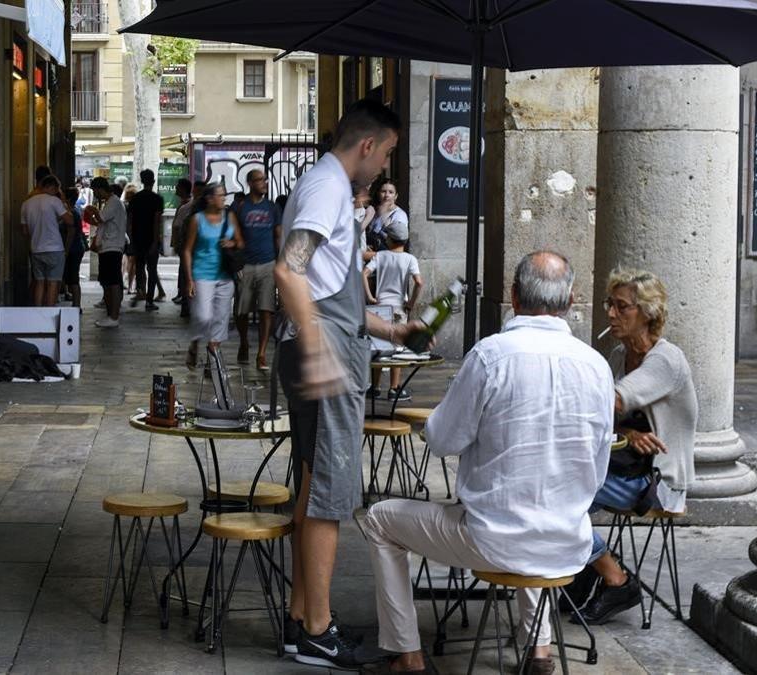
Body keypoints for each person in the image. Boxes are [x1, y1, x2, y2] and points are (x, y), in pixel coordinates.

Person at [357, 251, 614, 675]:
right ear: (570, 301)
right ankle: (539, 650)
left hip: (492, 540)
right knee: (538, 500)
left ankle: (408, 656)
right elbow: (597, 467)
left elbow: (441, 439)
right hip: (569, 542)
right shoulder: (597, 367)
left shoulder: (492, 356)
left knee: (381, 519)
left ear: (513, 296)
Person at [274, 98, 420, 669]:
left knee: (314, 487)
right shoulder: (328, 188)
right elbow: (290, 269)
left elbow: (332, 288)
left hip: (332, 340)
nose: (384, 166)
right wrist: (317, 349)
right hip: (325, 351)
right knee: (332, 494)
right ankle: (318, 628)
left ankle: (298, 620)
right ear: (367, 145)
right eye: (386, 153)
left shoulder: (329, 189)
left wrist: (392, 328)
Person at [565, 269, 697, 625]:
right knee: (554, 496)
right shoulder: (619, 355)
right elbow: (607, 417)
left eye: (622, 307)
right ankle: (584, 569)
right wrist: (629, 432)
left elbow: (607, 402)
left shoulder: (666, 360)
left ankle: (614, 577)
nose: (610, 313)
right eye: (610, 304)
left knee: (559, 495)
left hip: (657, 484)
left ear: (648, 313)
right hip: (622, 468)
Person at [182, 183, 243, 369]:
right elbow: (187, 250)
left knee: (220, 318)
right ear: (209, 198)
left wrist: (232, 243)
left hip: (225, 276)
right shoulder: (197, 220)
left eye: (224, 195)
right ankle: (195, 342)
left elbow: (240, 242)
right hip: (203, 274)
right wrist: (189, 279)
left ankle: (212, 360)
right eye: (220, 195)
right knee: (204, 316)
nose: (224, 199)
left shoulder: (230, 217)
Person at [364, 218, 422, 400]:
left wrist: (370, 297)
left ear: (389, 239)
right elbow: (419, 282)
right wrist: (411, 302)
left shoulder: (380, 256)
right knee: (397, 348)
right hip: (398, 306)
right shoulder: (409, 259)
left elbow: (363, 274)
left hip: (380, 305)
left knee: (378, 347)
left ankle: (374, 387)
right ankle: (394, 388)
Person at [233, 169, 282, 370]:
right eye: (260, 180)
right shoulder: (239, 206)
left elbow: (278, 234)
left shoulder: (272, 208)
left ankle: (261, 353)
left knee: (266, 309)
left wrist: (281, 261)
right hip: (246, 264)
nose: (264, 183)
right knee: (242, 311)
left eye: (265, 180)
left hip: (267, 262)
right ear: (250, 183)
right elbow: (232, 230)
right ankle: (244, 342)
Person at [20, 175, 74, 307]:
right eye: (57, 190)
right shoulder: (54, 201)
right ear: (52, 187)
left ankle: (38, 313)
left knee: (39, 282)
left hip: (36, 249)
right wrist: (63, 202)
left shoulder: (26, 204)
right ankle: (49, 314)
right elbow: (70, 221)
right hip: (54, 249)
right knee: (52, 283)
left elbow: (25, 231)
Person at [86, 177, 126, 328]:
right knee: (107, 282)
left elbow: (101, 218)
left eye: (95, 191)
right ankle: (111, 315)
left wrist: (93, 210)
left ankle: (114, 316)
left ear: (100, 189)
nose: (95, 194)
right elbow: (102, 222)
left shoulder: (114, 202)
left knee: (112, 282)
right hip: (107, 247)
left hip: (112, 247)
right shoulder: (111, 202)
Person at [128, 169, 165, 312]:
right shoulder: (157, 199)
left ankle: (139, 291)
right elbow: (157, 222)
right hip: (151, 239)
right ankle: (149, 300)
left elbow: (130, 221)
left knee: (139, 267)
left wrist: (131, 239)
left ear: (142, 181)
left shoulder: (135, 198)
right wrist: (155, 242)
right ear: (153, 181)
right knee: (152, 269)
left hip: (138, 238)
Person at [172, 180, 204, 318]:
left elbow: (177, 227)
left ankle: (188, 305)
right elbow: (178, 227)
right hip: (192, 251)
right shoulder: (186, 208)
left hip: (194, 251)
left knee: (188, 277)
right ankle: (189, 304)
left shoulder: (186, 208)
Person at [62, 186, 86, 309]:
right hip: (76, 248)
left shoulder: (71, 212)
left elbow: (71, 233)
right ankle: (76, 304)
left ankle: (77, 305)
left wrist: (65, 251)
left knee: (73, 278)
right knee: (72, 277)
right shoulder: (73, 211)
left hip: (73, 249)